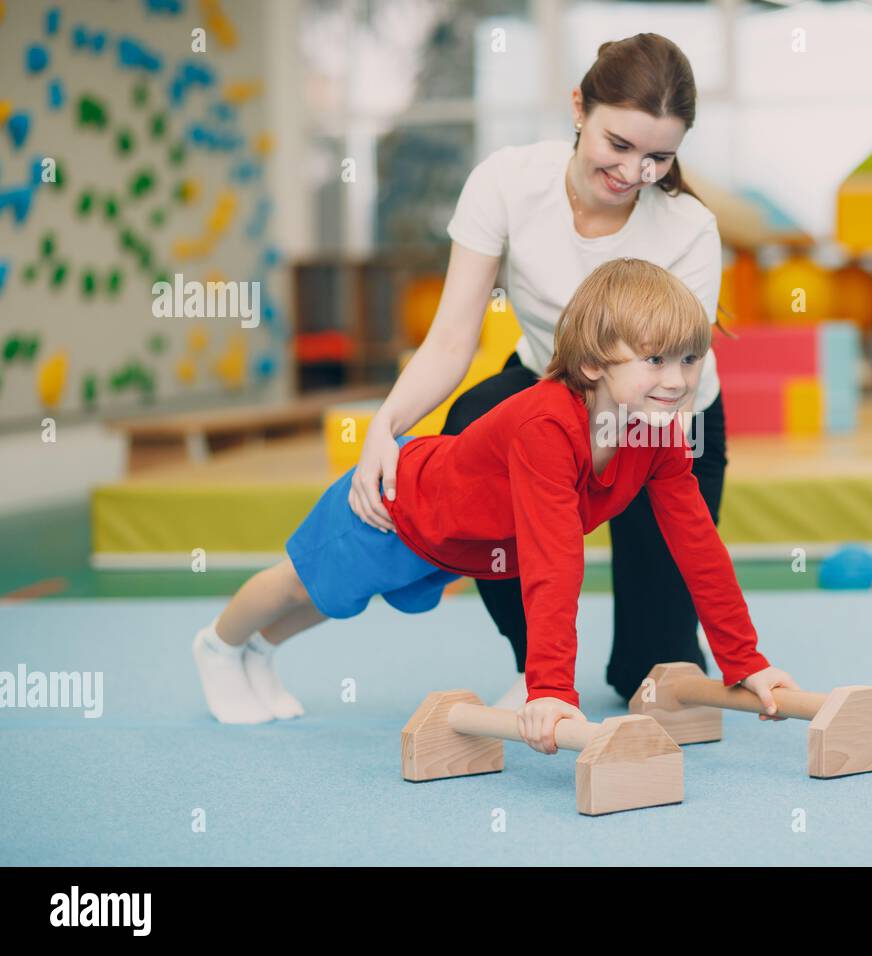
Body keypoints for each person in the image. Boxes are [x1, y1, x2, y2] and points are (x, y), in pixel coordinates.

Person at [192, 258, 798, 753]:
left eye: (691, 359)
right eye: (655, 359)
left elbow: (696, 545)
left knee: (337, 602)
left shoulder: (658, 433)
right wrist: (552, 690)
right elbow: (555, 557)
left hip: (467, 549)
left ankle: (261, 653)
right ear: (591, 363)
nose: (678, 379)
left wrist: (744, 660)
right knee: (302, 587)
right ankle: (219, 645)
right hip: (400, 509)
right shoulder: (547, 424)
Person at [348, 33, 732, 708]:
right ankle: (538, 667)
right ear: (579, 107)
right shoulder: (507, 182)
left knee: (650, 675)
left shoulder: (690, 228)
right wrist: (385, 427)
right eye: (619, 145)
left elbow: (676, 383)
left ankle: (650, 653)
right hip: (549, 392)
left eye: (658, 157)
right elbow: (449, 341)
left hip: (661, 421)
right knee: (474, 425)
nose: (633, 172)